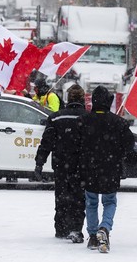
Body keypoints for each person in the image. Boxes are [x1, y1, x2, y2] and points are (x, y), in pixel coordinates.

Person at [77, 85, 135, 253]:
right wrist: (118, 155)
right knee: (109, 201)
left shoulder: (83, 121)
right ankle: (105, 227)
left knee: (91, 202)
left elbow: (76, 145)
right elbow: (129, 145)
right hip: (111, 168)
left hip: (89, 168)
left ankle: (93, 235)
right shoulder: (119, 122)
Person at [34, 84, 87, 243]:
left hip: (61, 164)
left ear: (67, 98)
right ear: (82, 99)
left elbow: (46, 142)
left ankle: (61, 228)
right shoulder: (88, 118)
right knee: (79, 198)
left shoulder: (56, 117)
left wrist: (39, 163)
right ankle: (76, 228)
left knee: (62, 196)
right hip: (81, 165)